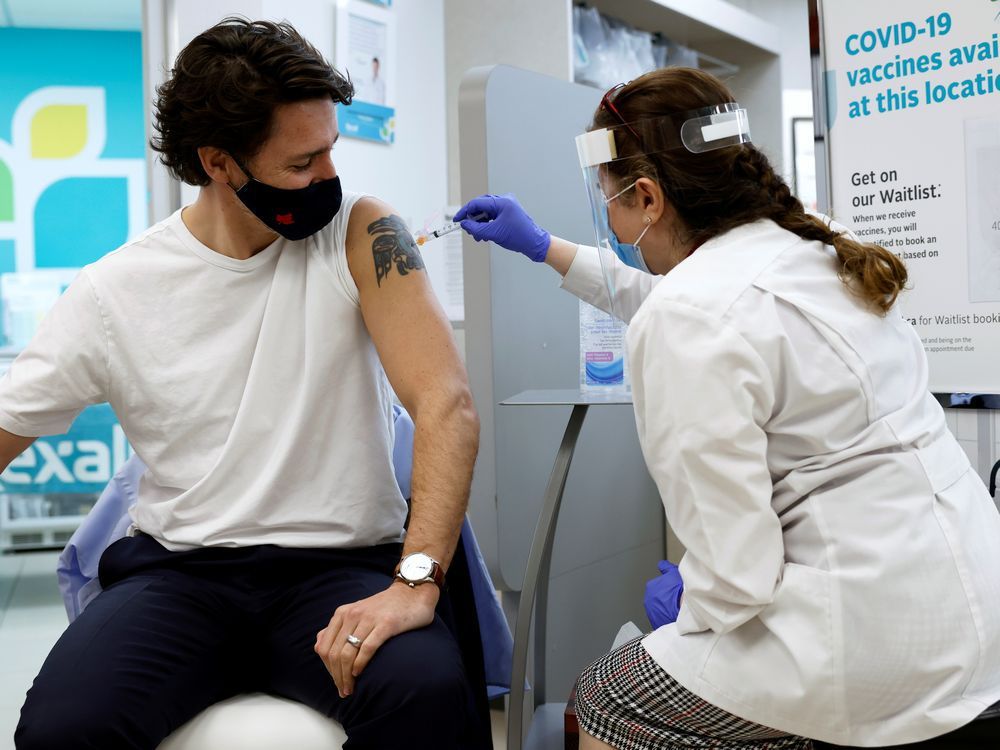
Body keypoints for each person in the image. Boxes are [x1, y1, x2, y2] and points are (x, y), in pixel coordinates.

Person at [455, 67, 1000, 749]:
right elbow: (692, 302)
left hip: (874, 645)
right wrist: (544, 249)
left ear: (647, 196)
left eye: (609, 201)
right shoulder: (814, 243)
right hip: (974, 599)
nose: (613, 223)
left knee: (605, 698)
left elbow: (736, 582)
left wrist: (692, 602)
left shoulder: (694, 312)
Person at [7, 18, 485, 750]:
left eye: (330, 149)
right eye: (302, 164)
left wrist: (415, 583)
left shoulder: (360, 235)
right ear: (218, 162)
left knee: (424, 694)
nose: (328, 176)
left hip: (341, 569)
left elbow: (445, 404)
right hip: (179, 579)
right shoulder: (115, 292)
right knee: (62, 729)